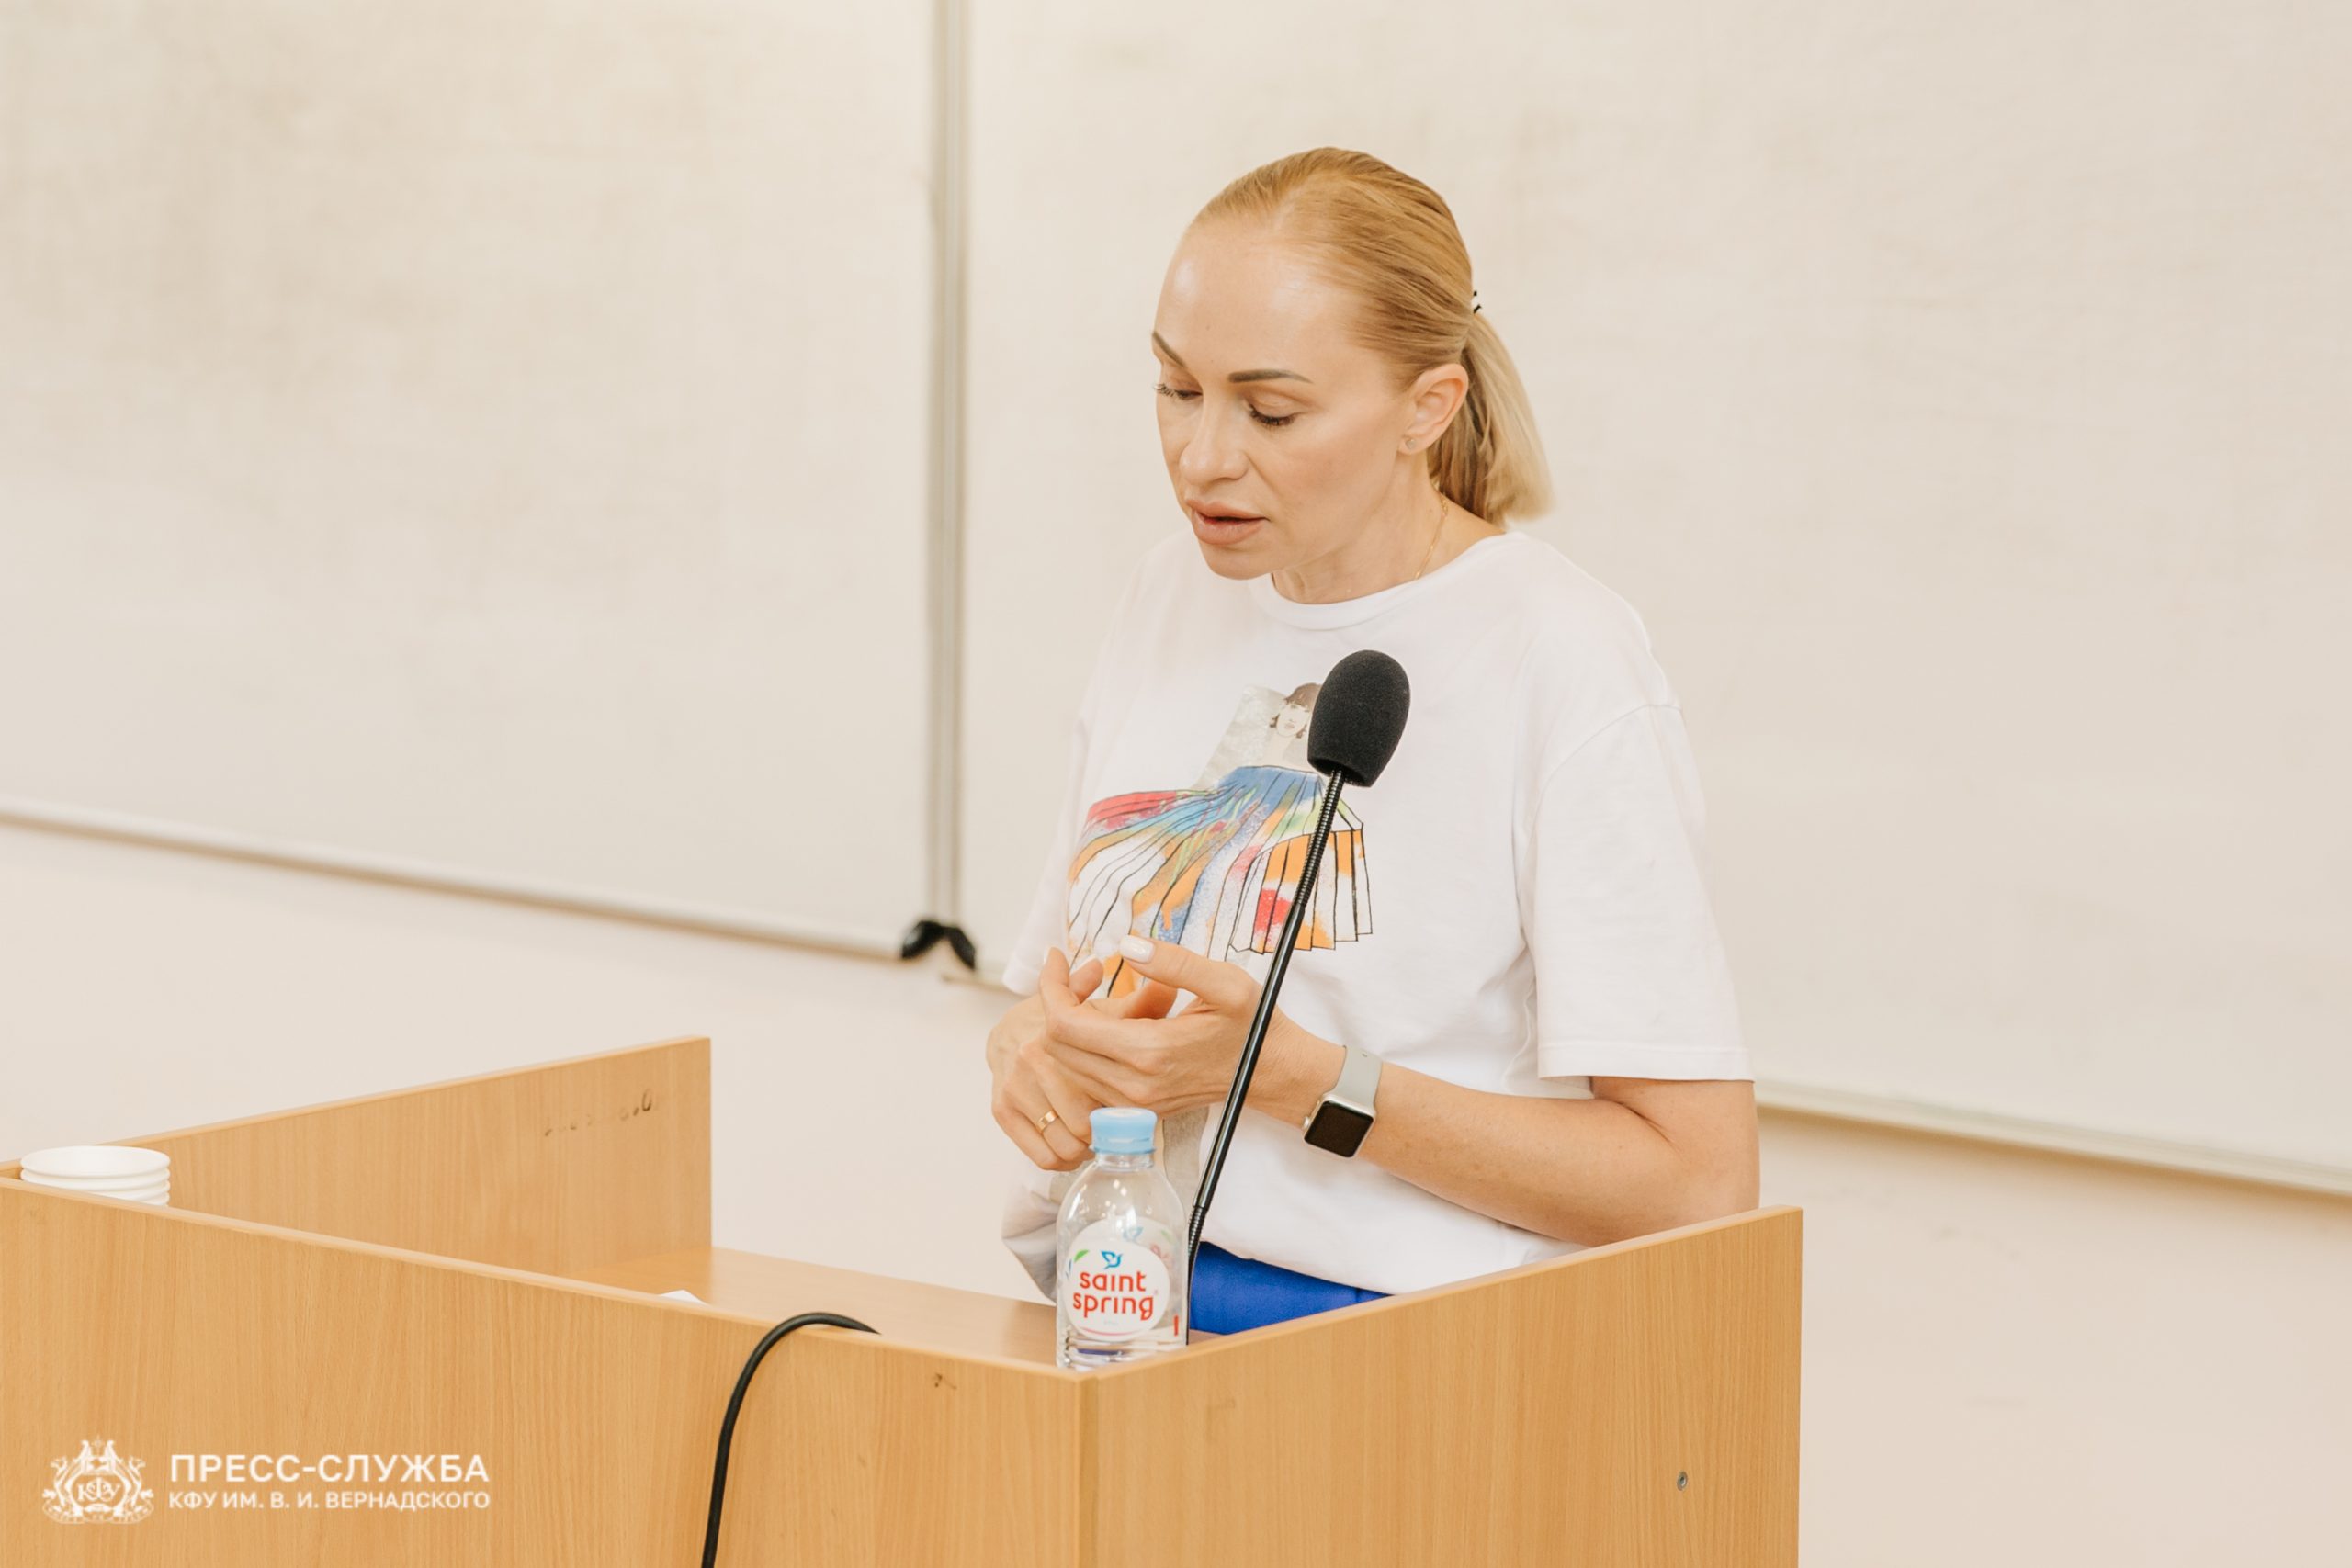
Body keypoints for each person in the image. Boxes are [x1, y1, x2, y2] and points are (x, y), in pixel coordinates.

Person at [984, 147, 1758, 1337]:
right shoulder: (1168, 594)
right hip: (1118, 1300)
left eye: (1272, 411)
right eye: (1176, 389)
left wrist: (1297, 1080)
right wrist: (1036, 1055)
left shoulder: (1559, 655)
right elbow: (1054, 995)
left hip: (1401, 1360)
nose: (1202, 457)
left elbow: (1695, 1184)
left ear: (1428, 407)